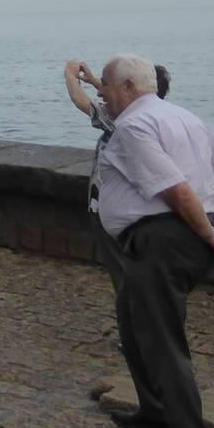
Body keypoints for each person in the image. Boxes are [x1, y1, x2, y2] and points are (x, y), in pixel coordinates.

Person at [94, 54, 214, 428]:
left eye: (104, 85)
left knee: (161, 340)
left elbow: (175, 190)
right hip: (181, 236)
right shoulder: (188, 119)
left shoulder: (133, 126)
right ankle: (156, 408)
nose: (101, 94)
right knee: (131, 317)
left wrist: (211, 234)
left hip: (167, 239)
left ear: (127, 87)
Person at [66, 59, 171, 292]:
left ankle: (135, 319)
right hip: (144, 209)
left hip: (111, 208)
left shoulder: (122, 121)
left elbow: (81, 102)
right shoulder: (159, 117)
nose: (105, 91)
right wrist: (95, 81)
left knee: (123, 273)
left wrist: (70, 75)